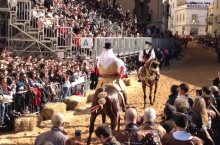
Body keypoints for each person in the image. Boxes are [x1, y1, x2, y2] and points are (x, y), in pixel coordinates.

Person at [96, 42, 127, 107]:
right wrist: (119, 75)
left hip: (103, 81)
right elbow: (123, 70)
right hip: (113, 80)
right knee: (123, 90)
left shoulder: (99, 60)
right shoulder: (117, 60)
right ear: (111, 50)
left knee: (96, 93)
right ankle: (124, 106)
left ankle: (95, 104)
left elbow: (98, 70)